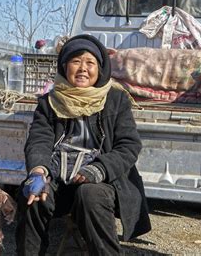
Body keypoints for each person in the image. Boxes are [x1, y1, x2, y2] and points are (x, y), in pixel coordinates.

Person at [15, 34, 151, 255]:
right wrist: (38, 170)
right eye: (76, 61)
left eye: (90, 63)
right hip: (59, 176)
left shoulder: (116, 99)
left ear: (100, 69)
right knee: (33, 197)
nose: (82, 69)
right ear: (65, 66)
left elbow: (129, 146)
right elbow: (39, 139)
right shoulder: (49, 102)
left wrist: (99, 168)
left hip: (103, 181)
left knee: (90, 194)